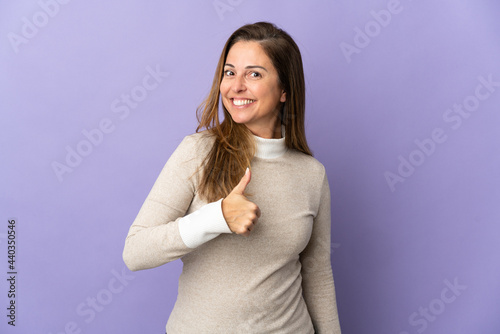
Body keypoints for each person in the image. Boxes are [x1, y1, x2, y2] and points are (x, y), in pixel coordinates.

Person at [122, 21, 341, 334]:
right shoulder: (197, 152)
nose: (236, 86)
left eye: (254, 74)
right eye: (229, 72)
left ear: (284, 91)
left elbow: (317, 273)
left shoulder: (311, 174)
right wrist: (216, 217)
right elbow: (135, 251)